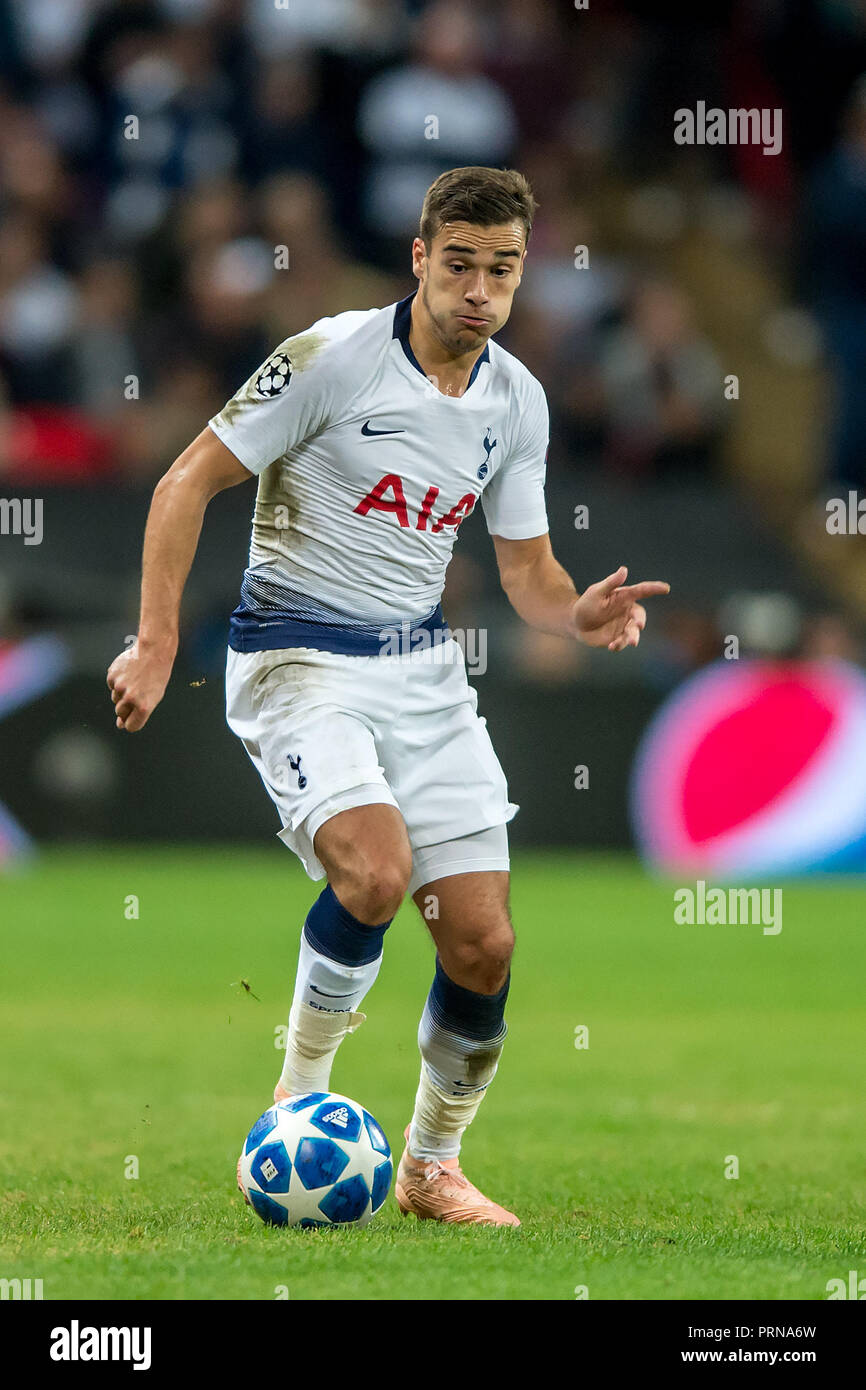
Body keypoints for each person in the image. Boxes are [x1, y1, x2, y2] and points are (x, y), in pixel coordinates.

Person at [106, 166, 669, 1226]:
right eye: (458, 264)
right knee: (373, 871)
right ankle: (297, 1097)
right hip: (295, 658)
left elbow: (527, 573)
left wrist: (576, 613)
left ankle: (428, 1166)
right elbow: (185, 480)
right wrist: (152, 641)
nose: (478, 289)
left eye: (501, 270)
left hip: (421, 670)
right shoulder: (330, 356)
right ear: (419, 259)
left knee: (483, 942)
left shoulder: (515, 400)